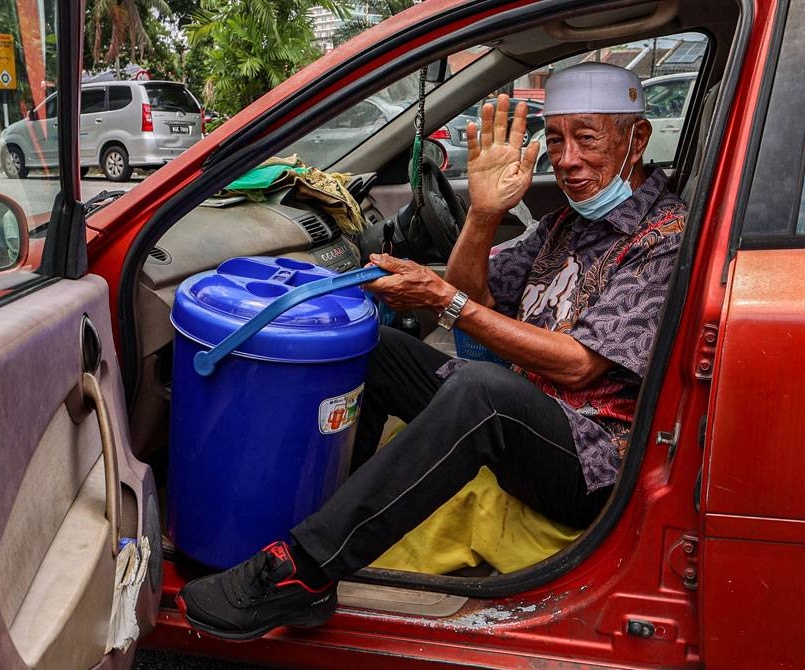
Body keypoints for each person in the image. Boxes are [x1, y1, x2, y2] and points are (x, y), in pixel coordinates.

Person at [177, 62, 687, 641]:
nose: (567, 160)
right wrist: (484, 214)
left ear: (637, 140)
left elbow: (578, 363)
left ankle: (303, 574)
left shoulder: (664, 239)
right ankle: (322, 523)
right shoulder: (566, 223)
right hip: (527, 409)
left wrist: (445, 300)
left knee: (483, 392)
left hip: (586, 453)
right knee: (378, 346)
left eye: (587, 139)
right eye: (556, 140)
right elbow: (475, 289)